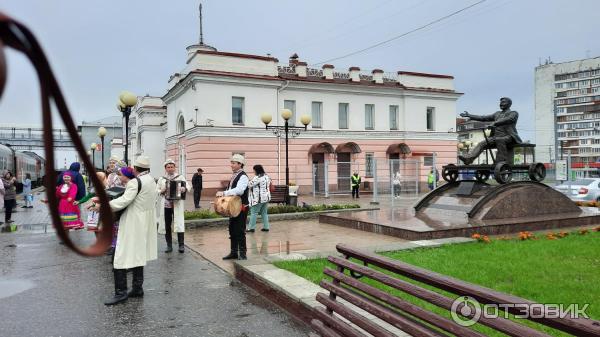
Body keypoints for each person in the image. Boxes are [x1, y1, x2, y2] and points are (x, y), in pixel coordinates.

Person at [103, 156, 157, 306]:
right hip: (145, 222)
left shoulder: (135, 182)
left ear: (135, 168)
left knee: (119, 256)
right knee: (138, 254)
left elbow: (124, 201)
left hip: (133, 221)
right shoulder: (152, 180)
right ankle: (137, 288)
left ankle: (120, 293)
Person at [459, 97, 522, 165]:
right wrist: (470, 115)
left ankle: (501, 162)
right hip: (495, 137)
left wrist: (495, 123)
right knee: (482, 143)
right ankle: (469, 159)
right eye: (500, 102)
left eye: (503, 102)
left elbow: (509, 119)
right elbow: (483, 118)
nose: (501, 104)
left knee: (500, 140)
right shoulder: (497, 114)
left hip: (509, 136)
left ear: (509, 104)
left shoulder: (513, 113)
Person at [217, 154, 249, 260]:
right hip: (233, 206)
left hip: (241, 206)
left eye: (233, 163)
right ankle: (234, 252)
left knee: (240, 230)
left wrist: (224, 193)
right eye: (231, 163)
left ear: (240, 164)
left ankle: (243, 253)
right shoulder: (234, 175)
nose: (231, 165)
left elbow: (240, 190)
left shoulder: (243, 176)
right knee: (232, 229)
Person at [157, 159, 190, 253]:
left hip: (177, 204)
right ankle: (169, 245)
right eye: (168, 167)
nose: (170, 169)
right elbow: (157, 190)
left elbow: (188, 186)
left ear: (174, 167)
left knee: (179, 223)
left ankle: (181, 245)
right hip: (166, 205)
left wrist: (183, 188)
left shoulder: (180, 177)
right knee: (167, 225)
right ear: (165, 168)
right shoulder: (162, 179)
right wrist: (161, 191)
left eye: (172, 167)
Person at [246, 164, 271, 233]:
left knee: (254, 213)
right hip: (266, 198)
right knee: (264, 213)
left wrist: (248, 180)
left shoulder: (258, 178)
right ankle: (266, 227)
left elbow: (249, 184)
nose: (253, 172)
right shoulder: (267, 176)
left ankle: (251, 228)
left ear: (256, 170)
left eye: (254, 170)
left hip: (258, 199)